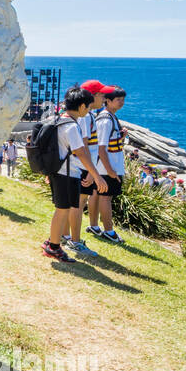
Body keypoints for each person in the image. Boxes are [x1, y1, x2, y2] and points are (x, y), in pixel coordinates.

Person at [42, 86, 107, 263]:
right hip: (67, 173)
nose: (88, 110)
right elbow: (81, 152)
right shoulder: (71, 126)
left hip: (59, 171)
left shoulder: (59, 120)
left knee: (62, 209)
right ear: (81, 106)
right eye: (88, 106)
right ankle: (53, 247)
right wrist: (96, 175)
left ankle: (52, 241)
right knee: (62, 210)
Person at [87, 85, 127, 244]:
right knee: (105, 197)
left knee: (96, 195)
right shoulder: (106, 120)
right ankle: (109, 231)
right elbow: (101, 147)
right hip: (107, 167)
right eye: (118, 99)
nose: (121, 102)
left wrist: (120, 137)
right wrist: (110, 170)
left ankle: (94, 226)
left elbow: (107, 143)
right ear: (108, 101)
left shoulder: (109, 118)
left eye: (122, 99)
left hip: (103, 166)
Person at [74, 80, 108, 246]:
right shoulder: (86, 117)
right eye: (101, 95)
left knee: (78, 204)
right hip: (82, 167)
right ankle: (73, 239)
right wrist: (90, 171)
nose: (104, 98)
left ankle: (70, 237)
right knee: (78, 204)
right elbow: (84, 145)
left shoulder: (89, 116)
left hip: (84, 167)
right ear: (92, 96)